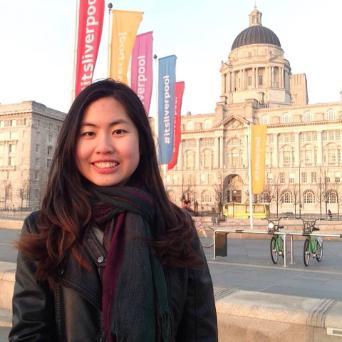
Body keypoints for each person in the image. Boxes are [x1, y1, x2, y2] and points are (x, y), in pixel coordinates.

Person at [9, 79, 217, 341]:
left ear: (141, 140)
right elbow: (29, 333)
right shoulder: (44, 228)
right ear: (72, 145)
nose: (104, 146)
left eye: (119, 131)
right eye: (88, 133)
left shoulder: (175, 227)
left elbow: (199, 332)